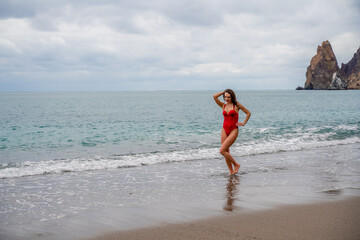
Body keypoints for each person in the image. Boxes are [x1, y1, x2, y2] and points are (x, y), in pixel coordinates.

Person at [213, 89, 251, 175]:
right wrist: (224, 92)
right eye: (225, 97)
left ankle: (236, 165)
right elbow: (214, 96)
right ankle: (231, 172)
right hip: (224, 129)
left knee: (222, 151)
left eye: (229, 97)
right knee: (226, 152)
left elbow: (248, 113)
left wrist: (243, 123)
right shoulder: (223, 105)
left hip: (233, 130)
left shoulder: (236, 105)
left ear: (232, 97)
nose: (227, 99)